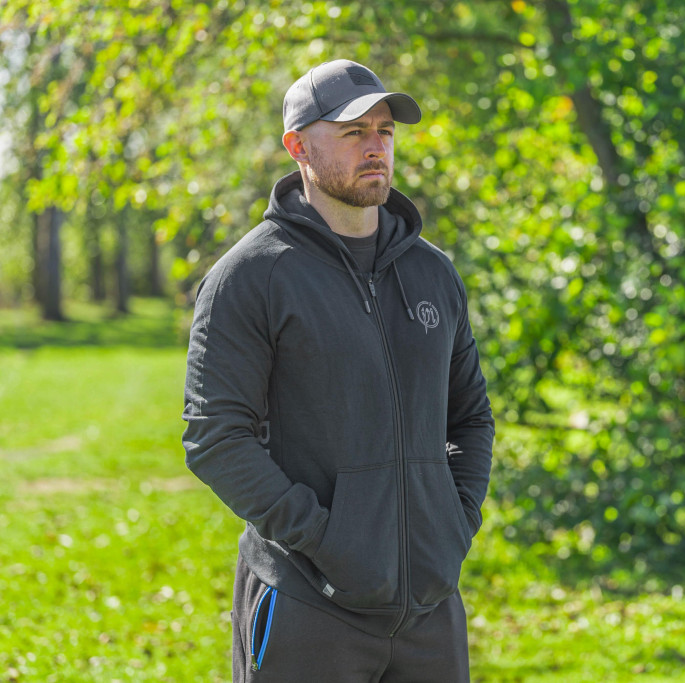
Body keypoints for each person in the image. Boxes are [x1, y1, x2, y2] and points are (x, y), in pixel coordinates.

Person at [181, 59, 494, 682]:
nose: (376, 147)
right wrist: (327, 543)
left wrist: (454, 525)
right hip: (309, 609)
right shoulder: (251, 276)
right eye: (353, 132)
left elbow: (470, 418)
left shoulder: (432, 272)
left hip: (430, 612)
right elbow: (215, 439)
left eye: (385, 131)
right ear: (298, 147)